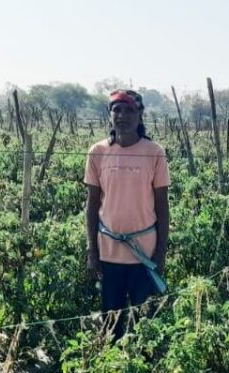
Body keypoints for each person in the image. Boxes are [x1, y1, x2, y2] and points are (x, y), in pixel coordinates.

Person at [83, 89, 171, 339]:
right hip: (109, 252)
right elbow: (91, 205)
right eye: (116, 110)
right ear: (110, 114)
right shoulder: (98, 152)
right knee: (111, 321)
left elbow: (162, 207)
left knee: (142, 322)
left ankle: (142, 369)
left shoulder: (154, 152)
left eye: (129, 110)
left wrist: (160, 252)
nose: (122, 115)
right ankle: (115, 370)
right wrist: (93, 250)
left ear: (141, 114)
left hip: (143, 254)